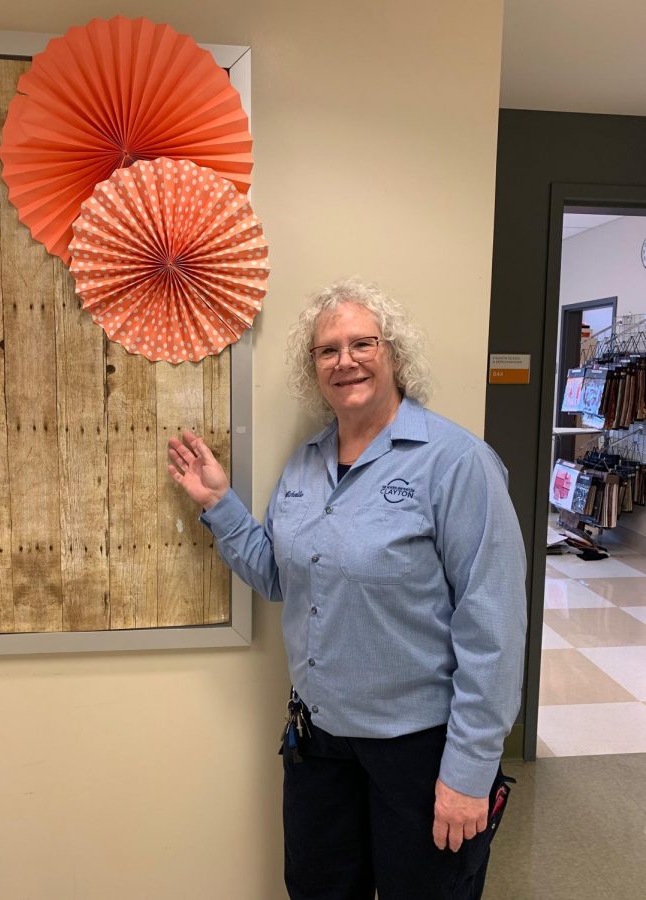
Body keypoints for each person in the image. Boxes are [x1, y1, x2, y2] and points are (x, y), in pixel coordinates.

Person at [167, 277, 527, 900]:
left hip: (421, 749)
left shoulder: (456, 462)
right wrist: (220, 504)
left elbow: (493, 626)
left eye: (363, 343)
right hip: (320, 741)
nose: (345, 360)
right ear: (314, 369)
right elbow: (281, 578)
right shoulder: (306, 462)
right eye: (327, 350)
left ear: (394, 353)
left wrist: (469, 772)